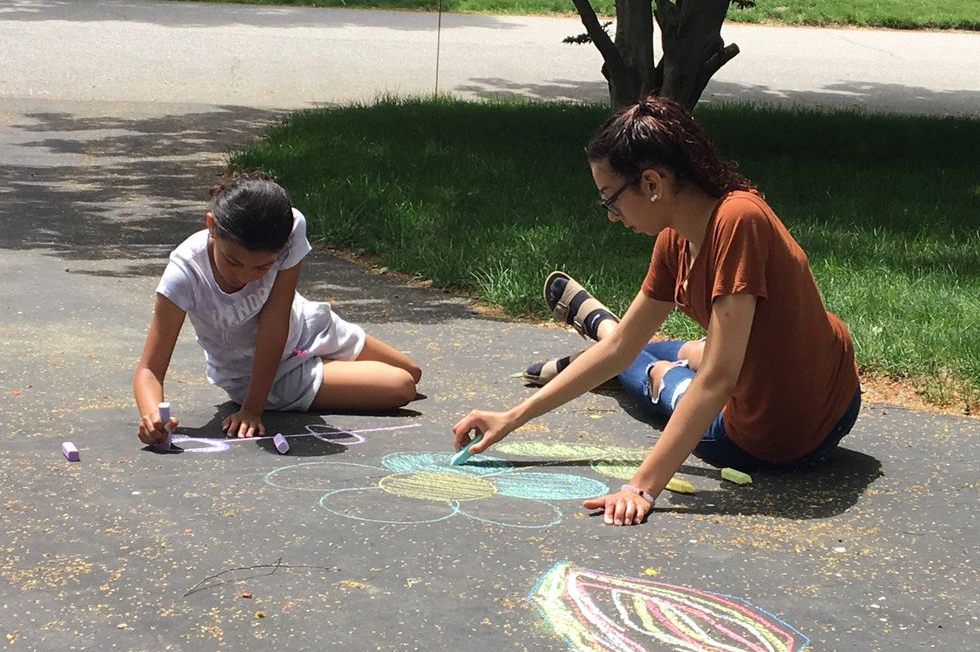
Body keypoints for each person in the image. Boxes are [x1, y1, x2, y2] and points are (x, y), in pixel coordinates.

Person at [451, 96, 860, 527]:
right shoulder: (676, 239)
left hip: (776, 439)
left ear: (651, 184)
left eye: (610, 199)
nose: (611, 216)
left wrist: (640, 487)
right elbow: (623, 347)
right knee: (641, 347)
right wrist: (510, 418)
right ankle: (606, 329)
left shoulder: (739, 221)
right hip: (811, 390)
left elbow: (718, 379)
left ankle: (610, 336)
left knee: (653, 369)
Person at [134, 171, 421, 445]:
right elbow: (149, 369)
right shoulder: (185, 274)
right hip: (264, 376)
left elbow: (276, 316)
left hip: (306, 326)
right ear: (211, 225)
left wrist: (253, 409)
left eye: (262, 267)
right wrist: (153, 415)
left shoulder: (290, 226)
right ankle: (320, 372)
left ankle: (325, 368)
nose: (244, 276)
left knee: (413, 371)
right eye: (233, 261)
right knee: (401, 385)